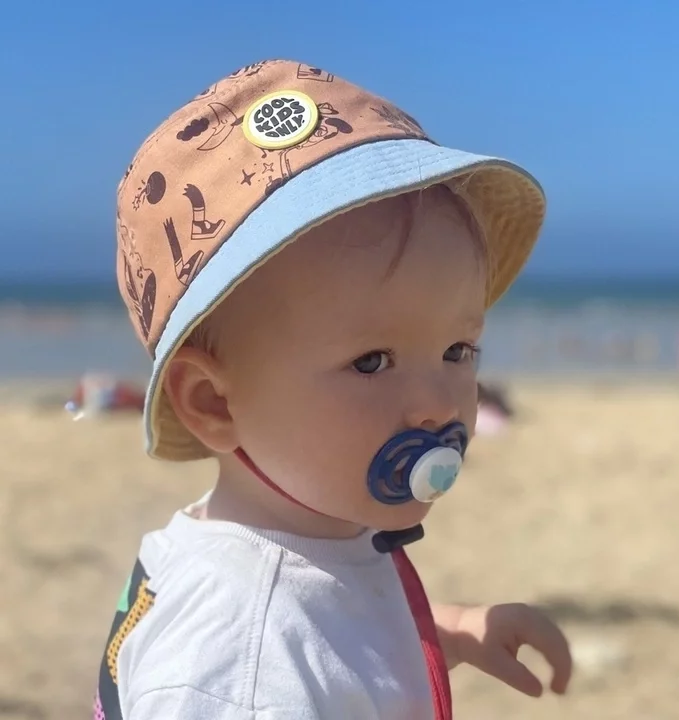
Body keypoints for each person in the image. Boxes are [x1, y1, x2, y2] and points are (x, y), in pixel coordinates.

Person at [95, 58, 572, 720]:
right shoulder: (237, 667)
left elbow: (327, 636)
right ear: (212, 402)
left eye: (457, 351)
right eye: (371, 362)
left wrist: (450, 630)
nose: (439, 402)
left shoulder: (294, 540)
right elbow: (284, 657)